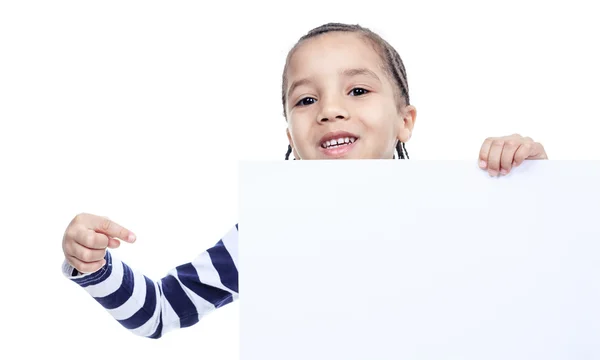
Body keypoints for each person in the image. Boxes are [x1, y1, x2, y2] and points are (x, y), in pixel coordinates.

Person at [61, 22, 549, 339]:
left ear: (406, 121)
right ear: (290, 134)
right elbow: (161, 312)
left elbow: (540, 286)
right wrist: (96, 268)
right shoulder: (269, 233)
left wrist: (538, 188)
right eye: (306, 100)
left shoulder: (462, 207)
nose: (331, 109)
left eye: (357, 90)